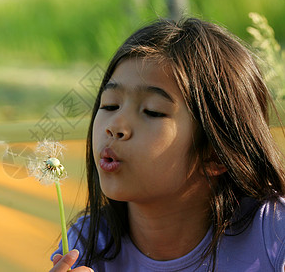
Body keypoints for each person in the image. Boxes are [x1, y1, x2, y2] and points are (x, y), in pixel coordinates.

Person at [49, 17, 285, 272]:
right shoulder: (83, 247)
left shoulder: (274, 232)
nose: (115, 125)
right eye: (110, 105)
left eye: (152, 111)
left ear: (216, 154)